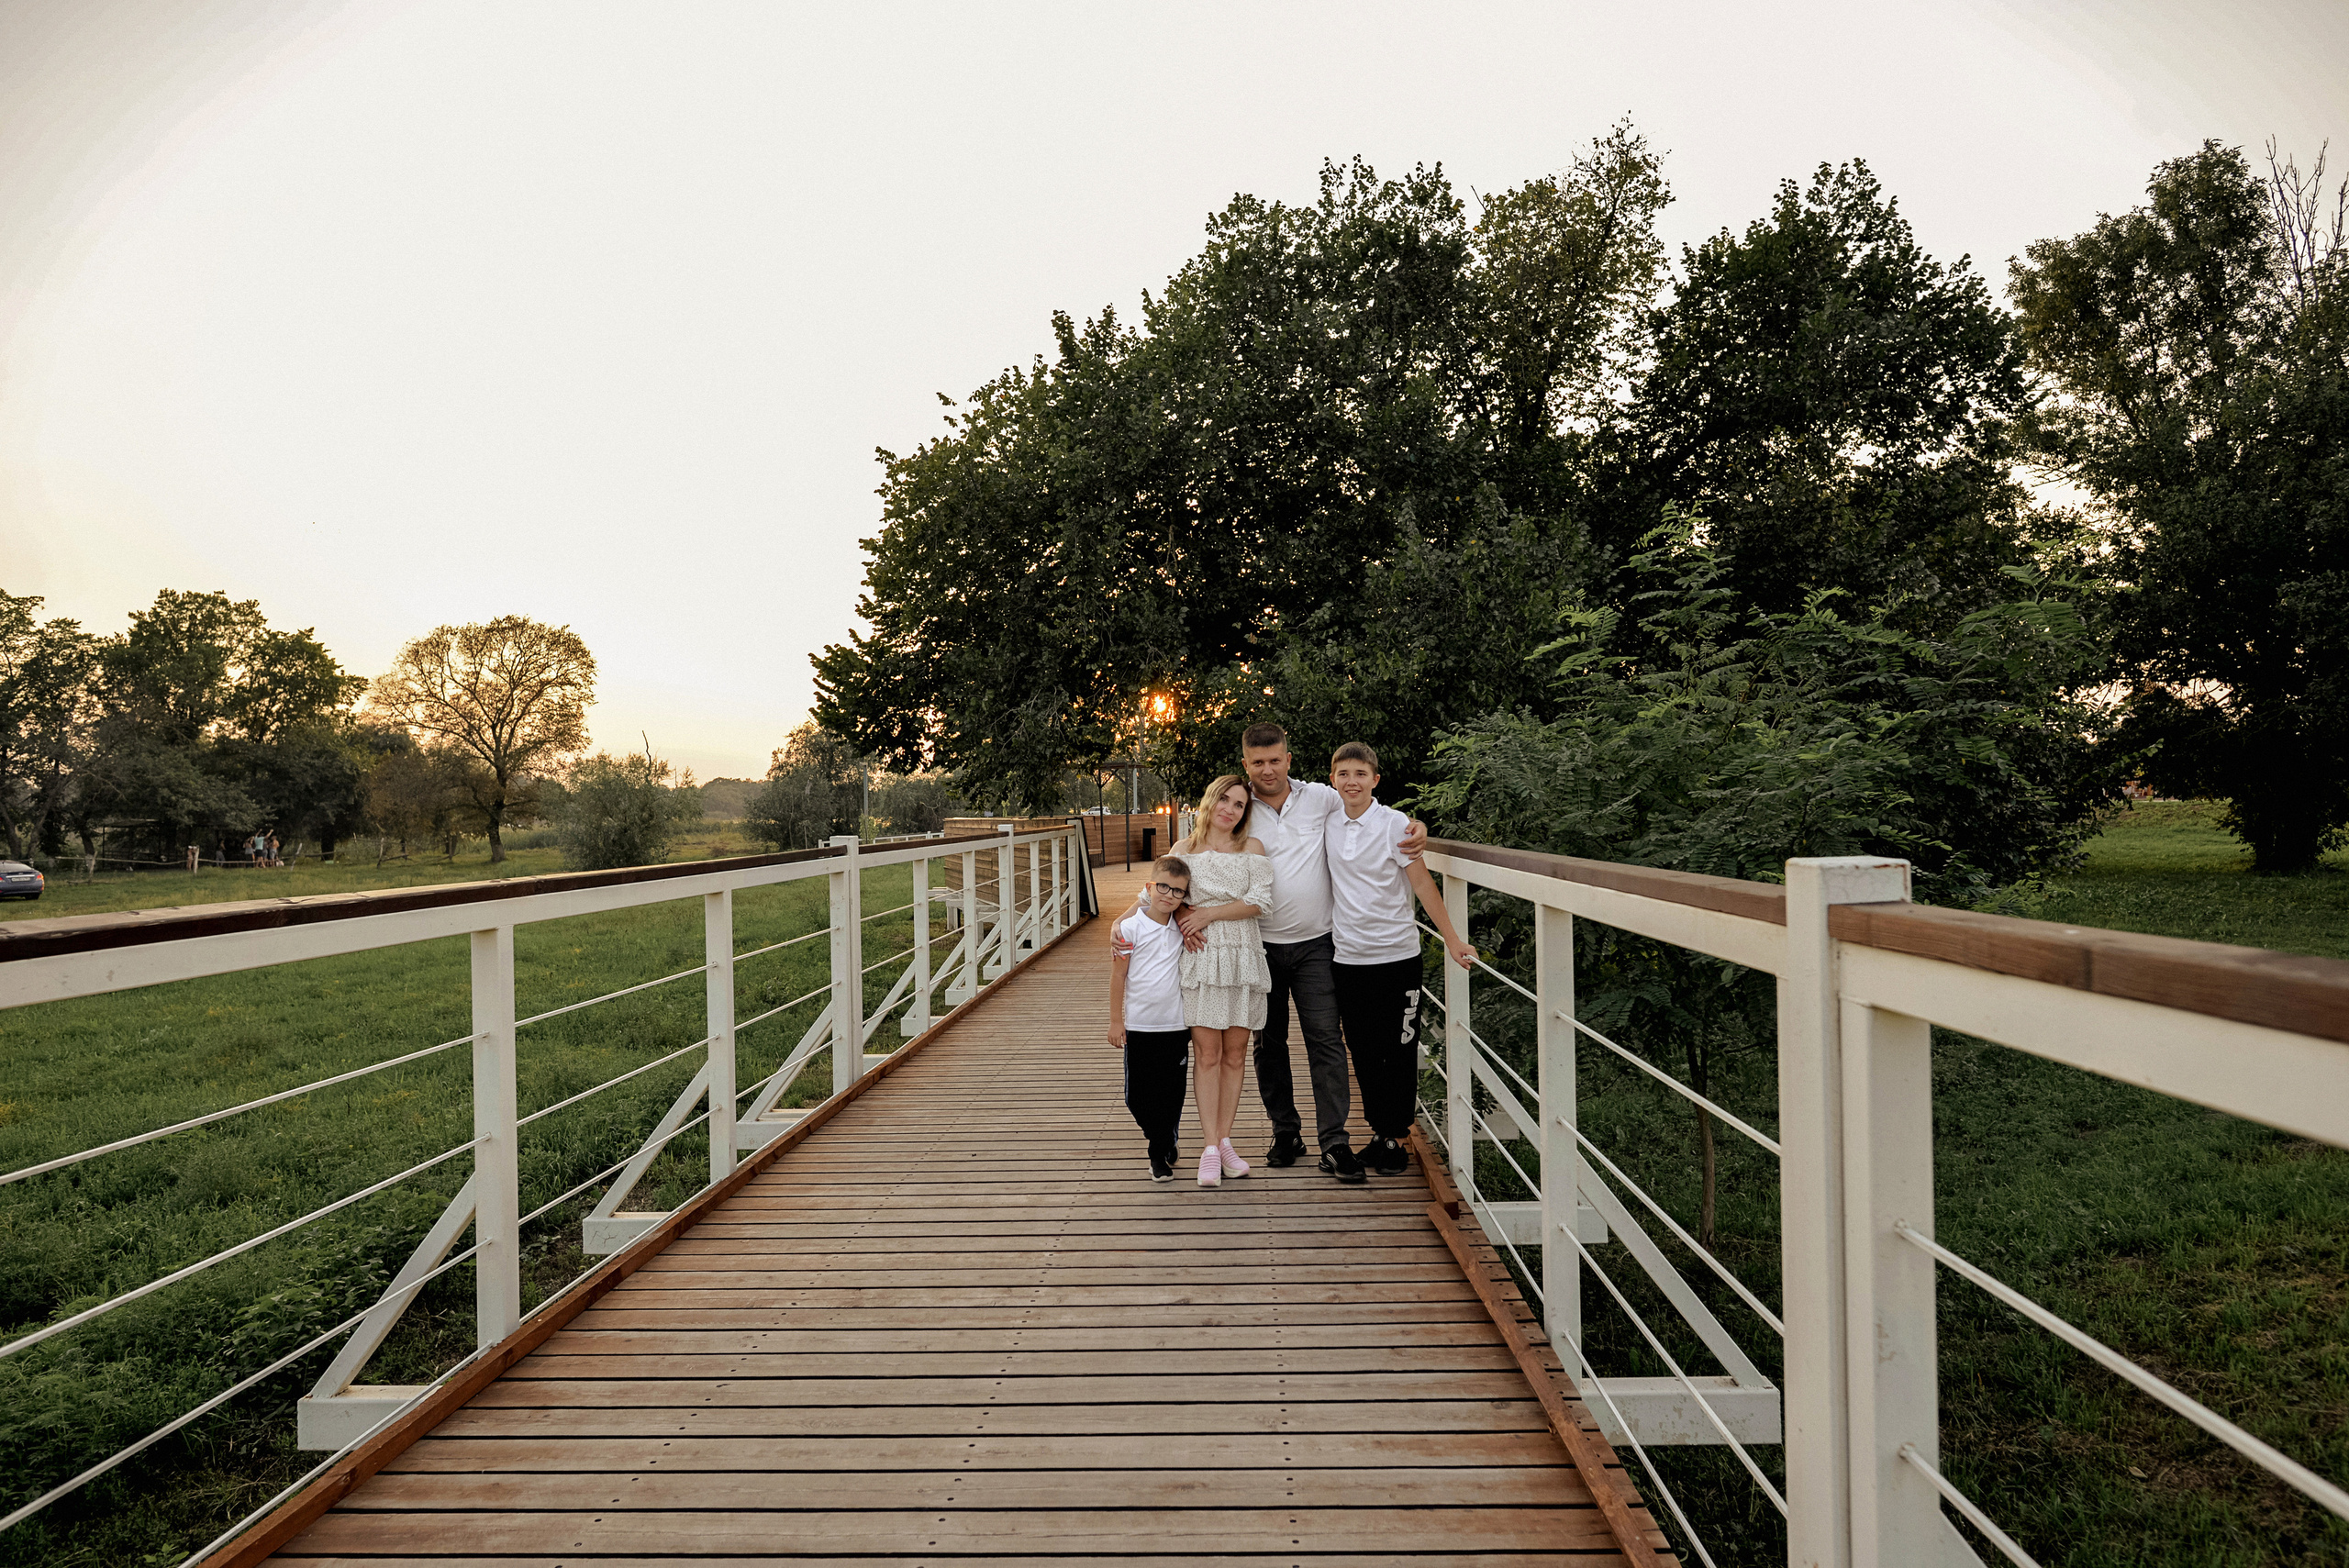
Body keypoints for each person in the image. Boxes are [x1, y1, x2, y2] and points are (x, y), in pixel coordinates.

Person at [1226, 723, 1425, 1184]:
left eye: (1275, 760)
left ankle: (1333, 1141)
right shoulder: (1237, 807)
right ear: (1245, 765)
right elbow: (1195, 848)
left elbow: (1372, 808)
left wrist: (1418, 827)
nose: (1267, 769)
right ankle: (1285, 1131)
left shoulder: (1322, 796)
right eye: (1257, 762)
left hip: (1318, 943)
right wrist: (1142, 906)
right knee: (1268, 1044)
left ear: (1289, 760)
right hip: (1258, 943)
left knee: (1326, 1042)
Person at [1325, 741, 1476, 1176]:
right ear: (1332, 780)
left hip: (1396, 957)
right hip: (1349, 958)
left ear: (1375, 779)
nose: (1351, 782)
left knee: (1400, 1047)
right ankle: (1379, 1131)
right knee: (1363, 1048)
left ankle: (1395, 1135)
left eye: (1360, 774)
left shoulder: (1395, 825)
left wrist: (1452, 939)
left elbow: (1423, 884)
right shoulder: (1328, 819)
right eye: (1343, 774)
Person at [1175, 774, 1274, 1187]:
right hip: (1202, 958)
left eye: (1239, 805)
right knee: (1207, 1053)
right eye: (1225, 800)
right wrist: (1182, 916)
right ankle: (1210, 1148)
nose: (1230, 810)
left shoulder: (1251, 849)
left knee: (1236, 1053)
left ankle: (1224, 1141)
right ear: (1209, 800)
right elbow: (1163, 896)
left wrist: (1207, 914)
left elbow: (1261, 902)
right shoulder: (1184, 850)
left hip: (1242, 956)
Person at [1109, 855, 1194, 1183]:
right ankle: (1161, 1136)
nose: (1169, 895)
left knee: (1171, 1094)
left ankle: (1158, 1152)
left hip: (1175, 1027)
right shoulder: (1130, 929)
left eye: (1177, 891)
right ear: (1149, 887)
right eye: (1163, 887)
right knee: (1137, 1097)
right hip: (1140, 1028)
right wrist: (1117, 1021)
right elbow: (1119, 977)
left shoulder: (1181, 931)